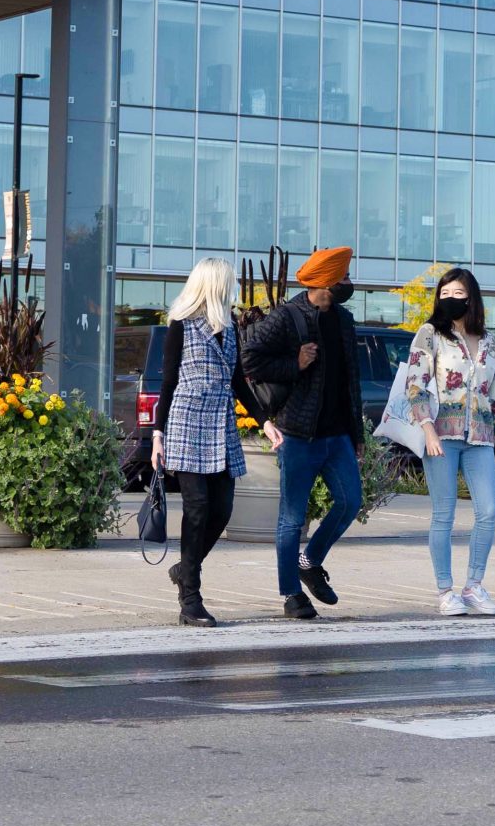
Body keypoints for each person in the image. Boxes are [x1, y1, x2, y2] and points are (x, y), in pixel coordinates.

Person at [242, 245, 363, 621]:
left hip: (337, 435)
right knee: (291, 518)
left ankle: (309, 561)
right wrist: (294, 363)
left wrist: (357, 433)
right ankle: (291, 594)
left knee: (350, 501)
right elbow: (249, 359)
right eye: (343, 276)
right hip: (298, 433)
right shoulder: (287, 316)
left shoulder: (344, 320)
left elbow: (351, 379)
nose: (348, 283)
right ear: (326, 281)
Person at [150, 256, 258, 627]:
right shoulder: (180, 325)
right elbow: (167, 383)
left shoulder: (230, 328)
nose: (234, 288)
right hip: (187, 423)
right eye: (229, 282)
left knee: (222, 509)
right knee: (197, 508)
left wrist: (266, 422)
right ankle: (190, 600)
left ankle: (185, 568)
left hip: (222, 426)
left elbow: (239, 382)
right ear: (214, 285)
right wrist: (158, 435)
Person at [405, 266, 495, 616]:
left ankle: (474, 586)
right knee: (444, 514)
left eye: (458, 294)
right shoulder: (429, 334)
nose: (450, 299)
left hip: (480, 437)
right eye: (444, 293)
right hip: (440, 436)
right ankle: (445, 591)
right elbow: (414, 385)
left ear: (472, 299)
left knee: (488, 511)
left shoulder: (488, 341)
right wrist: (427, 430)